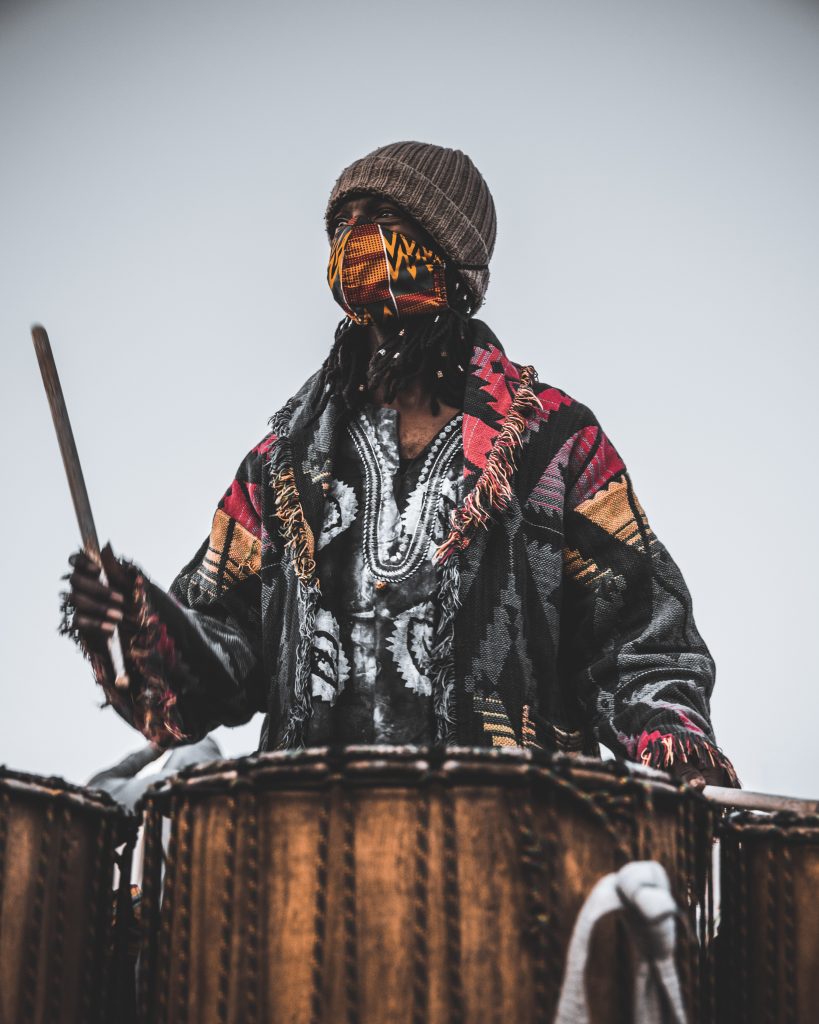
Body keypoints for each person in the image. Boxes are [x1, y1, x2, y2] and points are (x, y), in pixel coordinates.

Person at [63, 141, 737, 789]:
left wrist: (676, 745)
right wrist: (134, 621)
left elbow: (641, 639)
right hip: (302, 851)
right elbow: (214, 664)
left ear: (448, 258)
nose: (355, 239)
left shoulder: (553, 441)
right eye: (342, 225)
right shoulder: (280, 465)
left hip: (511, 846)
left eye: (382, 220)